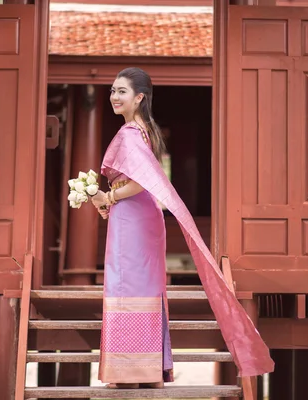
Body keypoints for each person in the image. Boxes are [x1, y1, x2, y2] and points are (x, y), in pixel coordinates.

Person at [91, 67, 274, 389]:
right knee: (144, 289)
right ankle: (150, 371)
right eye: (112, 91)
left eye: (121, 91)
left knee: (126, 288)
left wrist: (108, 196)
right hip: (143, 215)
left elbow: (134, 182)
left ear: (139, 97)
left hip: (133, 215)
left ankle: (129, 373)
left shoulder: (129, 134)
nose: (114, 97)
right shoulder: (146, 131)